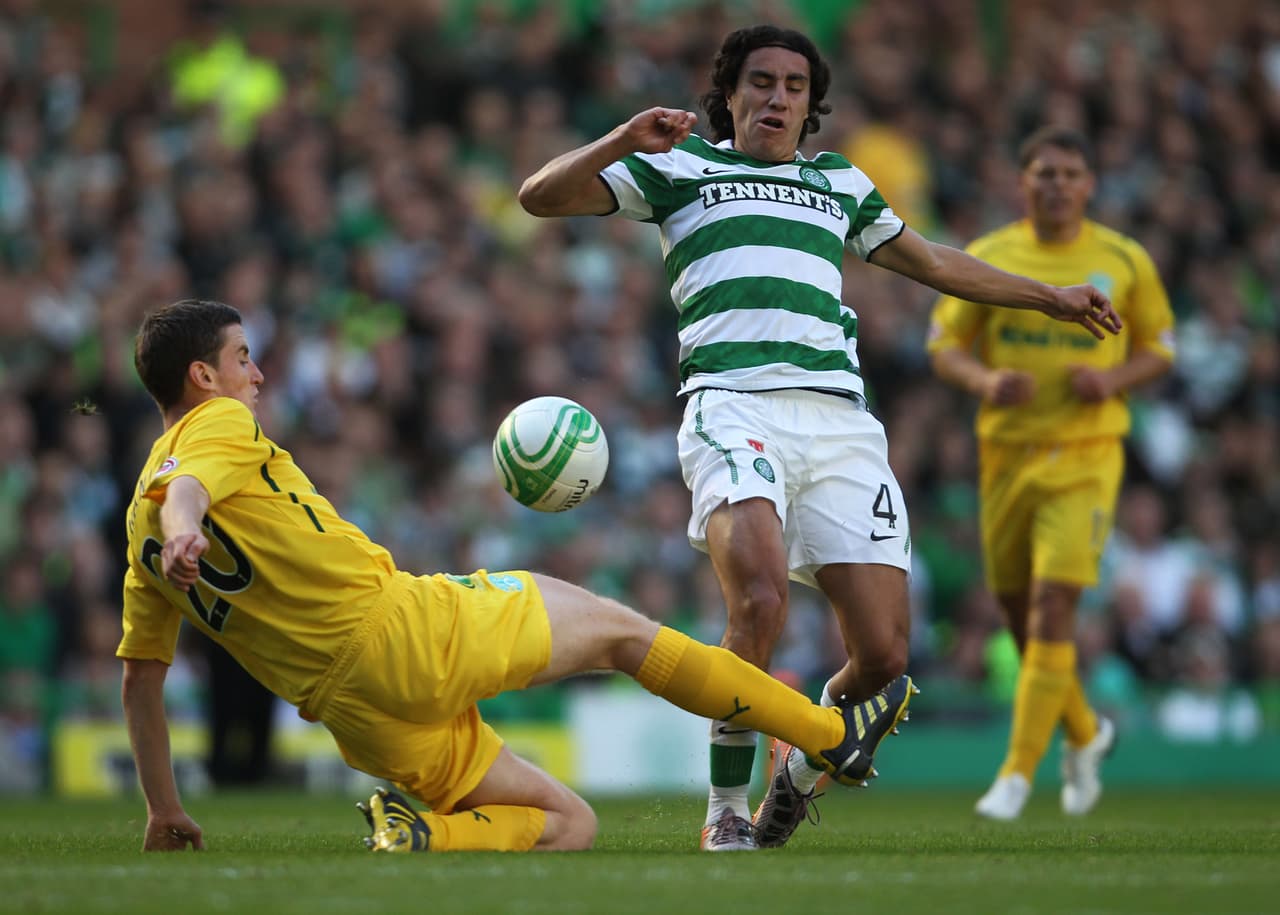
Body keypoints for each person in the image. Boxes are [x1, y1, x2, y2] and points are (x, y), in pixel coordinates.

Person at [517, 25, 1123, 850]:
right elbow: (539, 197)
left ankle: (796, 775)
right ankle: (724, 812)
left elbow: (936, 262)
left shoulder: (837, 180)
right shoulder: (681, 167)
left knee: (883, 656)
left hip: (840, 421)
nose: (777, 98)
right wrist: (625, 137)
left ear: (811, 106)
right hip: (733, 404)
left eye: (795, 87)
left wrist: (1046, 296)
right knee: (758, 601)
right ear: (729, 95)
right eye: (760, 82)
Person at [117, 297, 915, 854]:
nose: (255, 375)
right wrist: (187, 525)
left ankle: (426, 833)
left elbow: (141, 681)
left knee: (569, 823)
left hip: (354, 716)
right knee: (620, 631)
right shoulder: (216, 423)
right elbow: (189, 488)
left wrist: (163, 807)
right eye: (242, 358)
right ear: (202, 377)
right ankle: (828, 734)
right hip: (401, 631)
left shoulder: (134, 535)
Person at [927, 126, 1174, 820]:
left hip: (1087, 455)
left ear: (1090, 184)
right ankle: (1088, 734)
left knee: (1051, 608)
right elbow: (944, 345)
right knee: (1020, 620)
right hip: (1006, 455)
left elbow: (1162, 346)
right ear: (1022, 183)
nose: (1057, 183)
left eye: (1070, 172)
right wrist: (984, 378)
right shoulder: (993, 256)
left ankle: (1015, 774)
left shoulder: (1122, 258)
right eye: (1044, 172)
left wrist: (1114, 378)